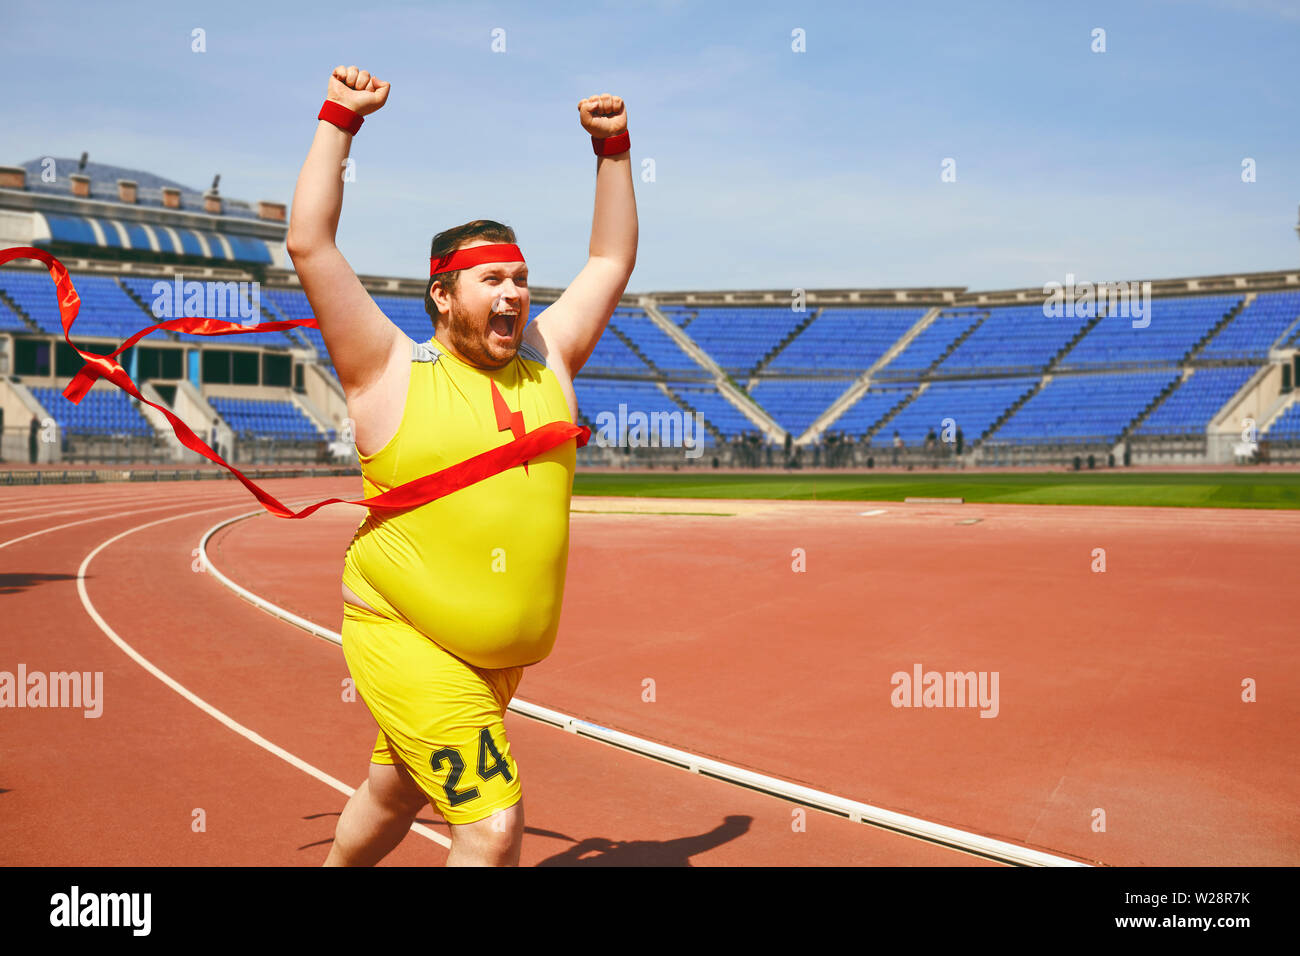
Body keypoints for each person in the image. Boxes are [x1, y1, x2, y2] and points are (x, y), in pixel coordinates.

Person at [286, 65, 636, 867]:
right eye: (493, 280)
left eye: (520, 279)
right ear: (444, 296)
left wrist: (612, 150)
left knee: (395, 790)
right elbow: (310, 242)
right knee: (490, 826)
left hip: (497, 661)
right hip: (405, 634)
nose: (514, 293)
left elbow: (611, 260)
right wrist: (341, 117)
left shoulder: (549, 360)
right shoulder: (388, 371)